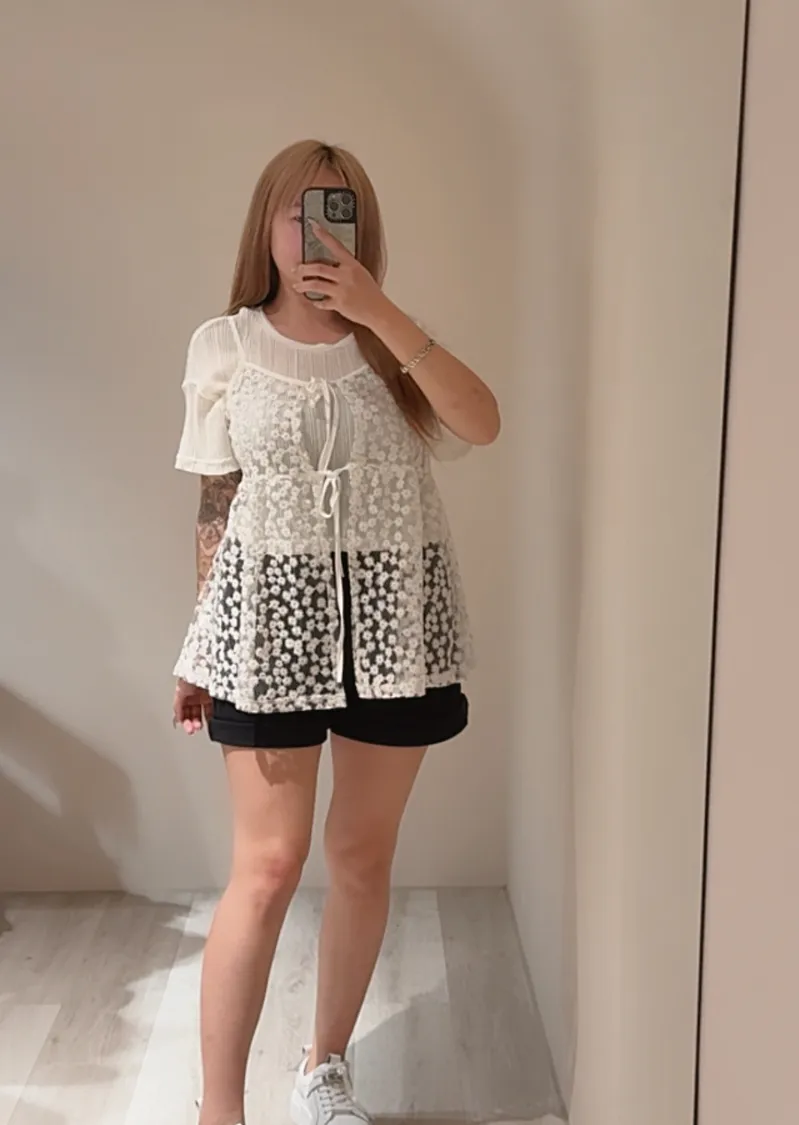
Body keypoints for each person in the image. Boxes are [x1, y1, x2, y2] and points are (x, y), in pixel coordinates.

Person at [171, 140, 500, 1125]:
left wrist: (379, 313)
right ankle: (220, 1110)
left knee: (360, 855)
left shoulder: (396, 344)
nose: (318, 228)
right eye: (301, 209)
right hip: (269, 620)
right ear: (267, 225)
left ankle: (323, 1068)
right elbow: (216, 505)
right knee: (267, 867)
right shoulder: (224, 345)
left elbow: (481, 422)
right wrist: (200, 642)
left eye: (340, 208)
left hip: (394, 618)